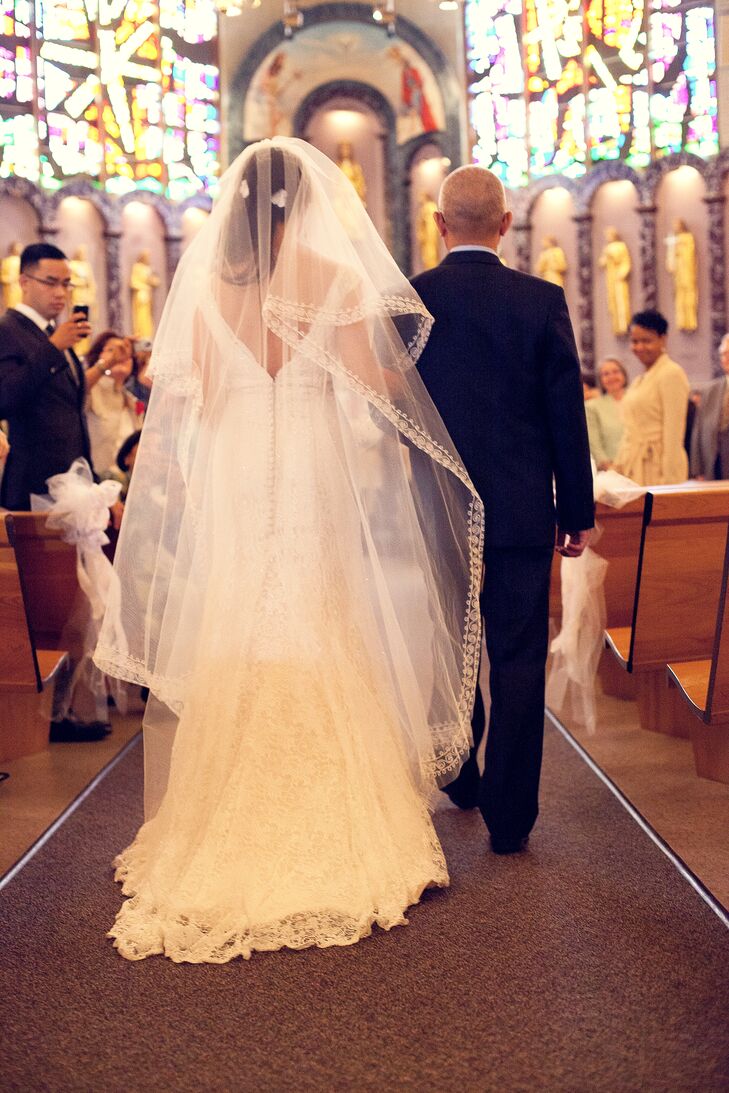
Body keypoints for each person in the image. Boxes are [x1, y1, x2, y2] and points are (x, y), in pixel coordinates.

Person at [94, 137, 483, 963]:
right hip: (308, 467)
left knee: (241, 610)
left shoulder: (207, 289)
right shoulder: (329, 277)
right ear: (307, 199)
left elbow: (187, 402)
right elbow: (368, 383)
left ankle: (223, 812)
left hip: (238, 471)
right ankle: (330, 811)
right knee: (314, 607)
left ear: (238, 203)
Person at [410, 165, 594, 855]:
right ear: (506, 224)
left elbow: (396, 414)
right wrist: (574, 508)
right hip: (519, 512)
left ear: (439, 224)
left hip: (437, 509)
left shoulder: (410, 301)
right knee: (516, 656)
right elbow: (563, 416)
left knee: (447, 646)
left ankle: (459, 773)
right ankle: (510, 816)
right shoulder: (538, 299)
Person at [0, 242, 115, 743]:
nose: (62, 293)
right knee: (54, 604)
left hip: (71, 488)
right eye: (53, 282)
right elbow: (6, 397)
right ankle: (49, 714)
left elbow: (66, 411)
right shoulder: (11, 332)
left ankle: (65, 710)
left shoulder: (57, 339)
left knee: (80, 602)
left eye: (68, 284)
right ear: (25, 281)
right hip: (34, 489)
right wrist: (53, 349)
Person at [613, 309, 690, 485]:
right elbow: (630, 431)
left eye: (646, 341)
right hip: (634, 467)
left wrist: (670, 482)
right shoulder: (640, 379)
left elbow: (673, 433)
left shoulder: (671, 373)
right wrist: (617, 469)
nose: (639, 347)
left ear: (663, 339)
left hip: (657, 470)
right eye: (634, 341)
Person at [84, 332, 142, 478]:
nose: (121, 355)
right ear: (97, 356)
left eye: (126, 350)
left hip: (126, 486)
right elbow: (74, 389)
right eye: (112, 350)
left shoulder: (132, 401)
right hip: (94, 483)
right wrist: (107, 363)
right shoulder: (90, 391)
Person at [690, 334, 729, 480]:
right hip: (714, 464)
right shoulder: (710, 390)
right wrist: (697, 470)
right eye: (723, 354)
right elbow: (698, 432)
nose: (726, 358)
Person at [585, 357, 628, 470]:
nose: (611, 377)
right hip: (612, 470)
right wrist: (610, 468)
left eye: (615, 372)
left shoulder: (637, 401)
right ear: (600, 380)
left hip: (640, 465)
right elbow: (594, 444)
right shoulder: (592, 407)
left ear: (624, 375)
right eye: (606, 374)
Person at [666, 218, 698, 332]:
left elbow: (689, 254)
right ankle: (682, 321)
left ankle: (690, 321)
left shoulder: (687, 238)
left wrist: (679, 249)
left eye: (677, 224)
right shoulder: (674, 239)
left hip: (686, 272)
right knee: (679, 297)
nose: (675, 227)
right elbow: (670, 260)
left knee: (689, 295)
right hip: (679, 273)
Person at [599, 226, 632, 335]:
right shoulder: (607, 247)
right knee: (612, 301)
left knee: (620, 300)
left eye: (608, 235)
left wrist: (621, 273)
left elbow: (624, 261)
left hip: (618, 276)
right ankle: (616, 327)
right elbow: (602, 263)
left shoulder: (621, 246)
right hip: (611, 277)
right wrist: (606, 256)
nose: (607, 237)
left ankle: (623, 325)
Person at [130, 250, 160, 339]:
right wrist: (144, 287)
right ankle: (141, 335)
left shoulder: (149, 268)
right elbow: (133, 282)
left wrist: (153, 281)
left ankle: (148, 335)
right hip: (141, 294)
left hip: (148, 295)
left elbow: (155, 281)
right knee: (141, 316)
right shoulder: (137, 267)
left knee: (148, 316)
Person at [335, 141, 367, 206]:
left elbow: (360, 181)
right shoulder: (337, 166)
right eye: (343, 149)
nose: (345, 151)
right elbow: (334, 180)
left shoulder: (355, 167)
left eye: (347, 149)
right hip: (341, 194)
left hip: (351, 194)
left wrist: (351, 187)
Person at [415, 193, 440, 271]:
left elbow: (431, 226)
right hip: (429, 239)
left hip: (429, 239)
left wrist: (426, 238)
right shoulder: (429, 207)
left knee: (430, 257)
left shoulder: (429, 207)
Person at [1, 241, 22, 310]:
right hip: (8, 289)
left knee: (18, 307)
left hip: (19, 288)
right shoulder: (6, 262)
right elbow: (2, 276)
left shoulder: (22, 262)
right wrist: (9, 279)